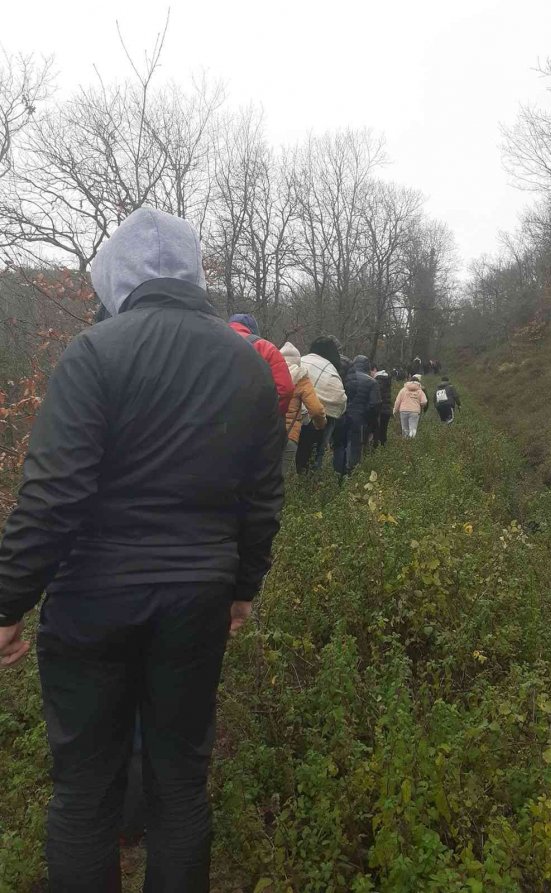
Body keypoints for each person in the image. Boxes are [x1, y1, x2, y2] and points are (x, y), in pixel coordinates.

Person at [0, 207, 285, 893]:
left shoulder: (96, 353)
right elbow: (262, 499)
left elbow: (53, 496)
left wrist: (9, 599)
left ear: (118, 274)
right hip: (196, 602)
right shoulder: (248, 366)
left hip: (91, 604)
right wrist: (243, 587)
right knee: (180, 786)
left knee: (85, 793)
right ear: (191, 271)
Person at [298, 336, 347, 472]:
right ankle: (310, 484)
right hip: (320, 421)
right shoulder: (331, 370)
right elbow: (340, 399)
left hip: (293, 416)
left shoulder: (301, 360)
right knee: (314, 456)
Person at [229, 313, 293, 416]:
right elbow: (285, 390)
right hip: (253, 422)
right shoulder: (266, 348)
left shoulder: (211, 344)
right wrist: (272, 417)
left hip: (214, 424)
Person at [280, 342, 327, 474]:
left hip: (269, 433)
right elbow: (316, 410)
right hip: (290, 434)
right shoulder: (302, 379)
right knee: (279, 480)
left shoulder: (270, 373)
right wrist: (320, 424)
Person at [333, 355, 380, 475]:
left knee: (340, 446)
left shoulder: (345, 378)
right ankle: (352, 474)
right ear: (368, 366)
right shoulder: (372, 382)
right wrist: (371, 422)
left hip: (342, 416)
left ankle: (338, 474)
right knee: (355, 447)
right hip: (360, 420)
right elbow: (375, 405)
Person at [372, 367, 392, 447]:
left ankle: (376, 448)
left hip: (380, 409)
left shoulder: (378, 380)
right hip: (386, 409)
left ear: (375, 370)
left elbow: (377, 396)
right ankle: (383, 446)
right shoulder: (387, 379)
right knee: (384, 429)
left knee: (377, 429)